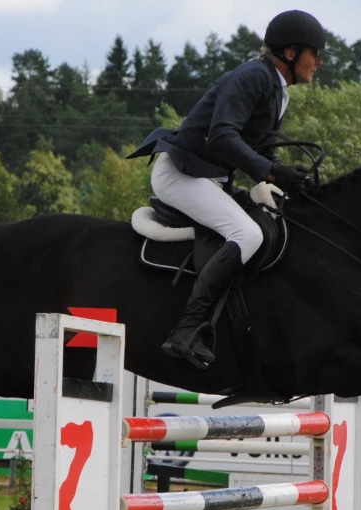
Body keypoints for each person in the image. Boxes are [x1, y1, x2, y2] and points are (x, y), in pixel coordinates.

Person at [128, 10, 329, 369]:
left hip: (210, 177)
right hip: (181, 173)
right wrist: (271, 170)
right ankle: (187, 329)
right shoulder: (253, 77)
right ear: (290, 53)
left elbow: (260, 148)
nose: (319, 62)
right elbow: (221, 135)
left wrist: (289, 179)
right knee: (247, 233)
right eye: (316, 53)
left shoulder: (277, 89)